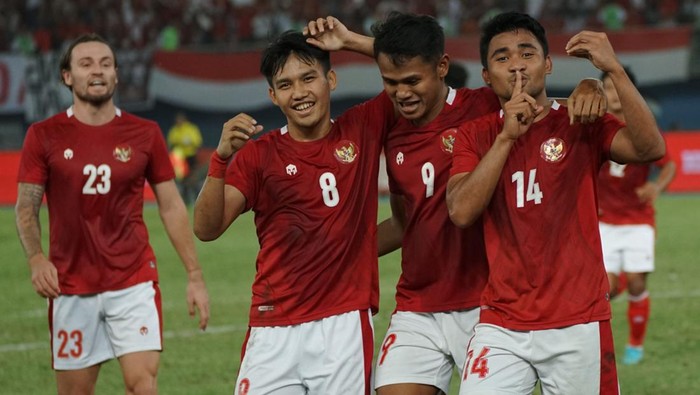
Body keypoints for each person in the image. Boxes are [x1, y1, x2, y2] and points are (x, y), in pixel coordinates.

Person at [305, 12, 608, 395]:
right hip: (418, 303)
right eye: (391, 84)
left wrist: (589, 84)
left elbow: (536, 100)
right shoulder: (391, 124)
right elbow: (403, 223)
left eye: (412, 81)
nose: (401, 93)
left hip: (484, 305)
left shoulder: (478, 107)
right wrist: (338, 253)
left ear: (442, 69)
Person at [446, 12, 665, 394]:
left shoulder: (580, 120)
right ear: (486, 76)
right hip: (502, 323)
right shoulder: (475, 135)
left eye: (526, 53)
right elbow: (461, 212)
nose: (515, 64)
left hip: (577, 319)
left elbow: (650, 148)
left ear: (547, 65)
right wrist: (506, 138)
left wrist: (611, 69)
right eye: (501, 57)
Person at [193, 31, 397, 395]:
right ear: (273, 95)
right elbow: (206, 229)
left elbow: (407, 61)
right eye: (285, 84)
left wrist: (349, 40)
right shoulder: (259, 156)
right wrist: (221, 159)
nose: (299, 93)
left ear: (330, 80)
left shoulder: (363, 127)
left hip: (343, 324)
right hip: (272, 326)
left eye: (308, 78)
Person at [14, 33, 210, 395]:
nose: (97, 71)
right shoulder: (43, 135)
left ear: (117, 75)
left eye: (106, 63)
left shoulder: (145, 133)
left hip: (133, 280)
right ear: (67, 76)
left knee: (143, 386)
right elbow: (26, 208)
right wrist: (36, 258)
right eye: (86, 64)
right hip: (70, 286)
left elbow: (170, 205)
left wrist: (195, 275)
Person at [597, 66, 677, 365]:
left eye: (617, 87)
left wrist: (656, 186)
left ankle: (635, 344)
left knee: (636, 284)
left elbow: (668, 165)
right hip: (604, 222)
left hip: (638, 220)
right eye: (606, 88)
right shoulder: (594, 125)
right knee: (606, 287)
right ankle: (600, 344)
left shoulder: (641, 126)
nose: (612, 94)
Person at [167, 111, 203, 205]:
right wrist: (181, 142)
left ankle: (197, 199)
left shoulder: (191, 129)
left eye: (180, 120)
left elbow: (197, 142)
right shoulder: (174, 130)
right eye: (177, 120)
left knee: (194, 179)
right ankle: (185, 201)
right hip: (179, 159)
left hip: (191, 156)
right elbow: (171, 142)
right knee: (182, 180)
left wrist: (188, 142)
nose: (179, 122)